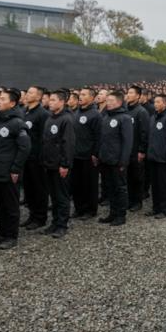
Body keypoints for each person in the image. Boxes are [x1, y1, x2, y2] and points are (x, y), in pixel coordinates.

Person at [0, 88, 30, 250]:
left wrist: (16, 169)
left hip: (9, 171)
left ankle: (11, 236)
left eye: (3, 99)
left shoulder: (17, 123)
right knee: (0, 204)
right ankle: (2, 233)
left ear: (12, 103)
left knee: (10, 205)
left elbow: (25, 148)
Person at [40, 90, 75, 238]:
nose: (50, 103)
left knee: (62, 196)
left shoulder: (66, 119)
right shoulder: (50, 118)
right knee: (53, 196)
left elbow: (68, 144)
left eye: (53, 100)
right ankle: (54, 222)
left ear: (62, 102)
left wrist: (65, 165)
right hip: (49, 164)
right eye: (50, 100)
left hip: (60, 165)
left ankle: (62, 225)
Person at [95, 90, 132, 226]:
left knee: (120, 188)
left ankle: (121, 215)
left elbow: (127, 142)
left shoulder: (124, 118)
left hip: (117, 161)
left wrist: (123, 161)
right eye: (108, 101)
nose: (108, 103)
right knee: (110, 188)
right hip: (106, 159)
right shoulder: (106, 117)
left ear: (119, 102)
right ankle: (112, 213)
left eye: (111, 101)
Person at [20, 85, 50, 230]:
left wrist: (41, 158)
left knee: (39, 189)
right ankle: (32, 215)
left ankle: (40, 217)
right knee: (28, 189)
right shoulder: (24, 112)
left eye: (31, 92)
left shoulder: (42, 114)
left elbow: (45, 139)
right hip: (25, 157)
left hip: (37, 159)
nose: (27, 94)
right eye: (27, 92)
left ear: (38, 97)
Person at [145, 93, 166, 218]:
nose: (156, 104)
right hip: (153, 157)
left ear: (165, 103)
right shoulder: (153, 117)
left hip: (164, 159)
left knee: (164, 185)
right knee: (155, 185)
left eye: (159, 102)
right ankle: (156, 207)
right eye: (155, 102)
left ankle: (164, 209)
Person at [71, 88, 101, 219]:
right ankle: (79, 208)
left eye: (84, 95)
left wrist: (95, 153)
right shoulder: (76, 112)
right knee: (76, 184)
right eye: (80, 94)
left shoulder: (95, 114)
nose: (80, 97)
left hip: (89, 156)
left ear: (92, 98)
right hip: (75, 154)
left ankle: (90, 210)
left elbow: (98, 136)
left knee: (89, 184)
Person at [125, 85, 150, 212]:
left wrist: (142, 150)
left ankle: (137, 201)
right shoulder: (125, 110)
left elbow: (144, 133)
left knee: (137, 177)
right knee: (128, 177)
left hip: (136, 151)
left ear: (138, 96)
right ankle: (130, 200)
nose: (128, 95)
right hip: (126, 151)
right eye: (128, 92)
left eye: (131, 93)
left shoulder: (141, 112)